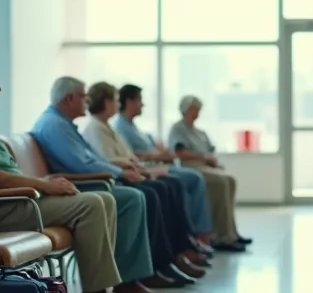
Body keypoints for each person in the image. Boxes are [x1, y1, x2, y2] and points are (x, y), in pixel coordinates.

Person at [0, 54, 157, 293]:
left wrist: (43, 183)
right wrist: (44, 185)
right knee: (91, 204)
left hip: (18, 199)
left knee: (103, 198)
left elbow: (5, 170)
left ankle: (103, 291)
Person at [32, 77, 209, 283]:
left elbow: (93, 160)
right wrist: (120, 172)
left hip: (86, 181)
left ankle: (166, 260)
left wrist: (120, 168)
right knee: (143, 195)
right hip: (82, 184)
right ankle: (139, 275)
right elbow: (84, 165)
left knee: (158, 189)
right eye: (83, 96)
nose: (87, 101)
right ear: (69, 98)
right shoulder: (56, 125)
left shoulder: (64, 124)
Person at [79, 82, 224, 256]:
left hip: (137, 170)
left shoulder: (107, 126)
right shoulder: (97, 128)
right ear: (106, 102)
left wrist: (142, 163)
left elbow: (127, 154)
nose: (118, 105)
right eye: (115, 100)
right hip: (121, 177)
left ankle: (182, 247)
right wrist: (144, 164)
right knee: (166, 187)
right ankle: (178, 249)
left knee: (171, 185)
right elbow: (110, 160)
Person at [116, 85, 245, 252]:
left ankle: (228, 232)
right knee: (200, 180)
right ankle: (203, 236)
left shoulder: (134, 127)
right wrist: (159, 156)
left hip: (162, 165)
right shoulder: (122, 127)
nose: (143, 104)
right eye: (140, 100)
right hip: (159, 166)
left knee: (229, 180)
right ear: (129, 101)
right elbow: (171, 152)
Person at [165, 94, 253, 249]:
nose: (197, 113)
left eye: (198, 109)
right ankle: (221, 236)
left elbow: (211, 151)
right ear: (184, 110)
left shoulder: (200, 132)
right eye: (193, 109)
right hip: (191, 167)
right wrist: (203, 157)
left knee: (230, 180)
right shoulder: (178, 128)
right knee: (220, 182)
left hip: (206, 167)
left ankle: (231, 232)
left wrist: (212, 161)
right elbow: (180, 152)